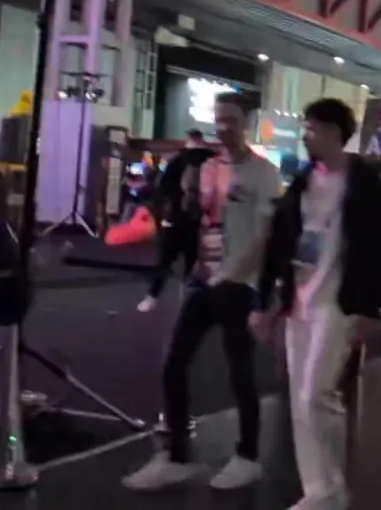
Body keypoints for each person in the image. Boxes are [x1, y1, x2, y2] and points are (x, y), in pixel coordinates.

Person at [123, 94, 281, 491]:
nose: (223, 127)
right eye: (219, 119)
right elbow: (200, 221)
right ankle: (176, 455)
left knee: (240, 369)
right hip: (202, 278)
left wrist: (244, 276)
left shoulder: (264, 173)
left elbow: (268, 235)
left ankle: (248, 456)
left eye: (231, 120)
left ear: (247, 123)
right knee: (174, 362)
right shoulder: (208, 168)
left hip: (238, 284)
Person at [250, 98, 381, 510]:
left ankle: (330, 488)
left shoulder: (365, 184)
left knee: (317, 394)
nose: (305, 135)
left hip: (337, 303)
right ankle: (319, 488)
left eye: (312, 128)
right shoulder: (303, 181)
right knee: (300, 399)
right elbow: (279, 243)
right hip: (299, 301)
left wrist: (370, 307)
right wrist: (265, 300)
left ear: (334, 132)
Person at [138, 130, 217, 313]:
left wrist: (161, 217)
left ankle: (152, 297)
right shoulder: (213, 162)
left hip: (176, 219)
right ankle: (188, 301)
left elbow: (162, 190)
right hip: (201, 221)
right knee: (193, 264)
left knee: (164, 261)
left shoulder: (178, 161)